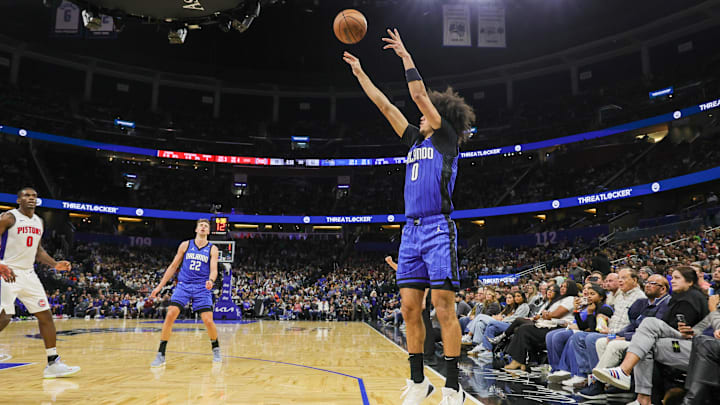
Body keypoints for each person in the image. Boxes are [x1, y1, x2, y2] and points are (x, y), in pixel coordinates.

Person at [345, 27, 476, 405]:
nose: (419, 117)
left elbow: (418, 94)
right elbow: (386, 105)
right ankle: (419, 381)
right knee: (408, 308)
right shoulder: (414, 141)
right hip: (411, 232)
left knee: (443, 307)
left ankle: (453, 386)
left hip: (438, 228)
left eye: (425, 114)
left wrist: (405, 54)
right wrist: (360, 74)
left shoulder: (446, 137)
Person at [593, 266, 709, 404]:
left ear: (690, 282)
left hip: (693, 345)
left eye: (677, 278)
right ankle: (642, 398)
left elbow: (686, 329)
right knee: (645, 343)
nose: (673, 281)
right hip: (680, 339)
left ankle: (624, 374)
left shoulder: (693, 298)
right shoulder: (677, 298)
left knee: (649, 325)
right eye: (672, 278)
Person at [0, 187, 81, 378]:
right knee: (5, 316)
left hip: (28, 274)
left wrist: (55, 264)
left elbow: (38, 251)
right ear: (18, 199)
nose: (31, 198)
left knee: (45, 315)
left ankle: (53, 362)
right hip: (7, 271)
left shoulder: (39, 221)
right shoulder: (8, 218)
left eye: (34, 196)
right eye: (26, 195)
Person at [578, 274, 671, 400]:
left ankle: (598, 384)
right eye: (647, 282)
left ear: (663, 289)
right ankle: (613, 383)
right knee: (602, 342)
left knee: (615, 345)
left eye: (653, 283)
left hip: (648, 341)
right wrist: (617, 335)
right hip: (636, 337)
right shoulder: (647, 303)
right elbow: (634, 324)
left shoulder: (666, 304)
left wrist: (625, 338)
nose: (648, 285)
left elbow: (653, 331)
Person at [149, 219, 221, 367]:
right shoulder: (185, 245)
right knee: (170, 314)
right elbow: (173, 266)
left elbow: (214, 269)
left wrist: (211, 280)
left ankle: (216, 348)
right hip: (184, 285)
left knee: (208, 320)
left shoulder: (213, 248)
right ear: (196, 229)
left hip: (202, 287)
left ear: (208, 231)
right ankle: (161, 354)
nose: (203, 227)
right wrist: (159, 287)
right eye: (201, 225)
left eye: (206, 226)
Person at [503, 280, 579, 371]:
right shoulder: (560, 299)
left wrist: (548, 314)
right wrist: (547, 315)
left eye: (565, 287)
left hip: (559, 327)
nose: (562, 288)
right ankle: (521, 361)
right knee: (521, 328)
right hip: (549, 324)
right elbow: (546, 314)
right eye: (561, 286)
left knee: (524, 329)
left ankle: (518, 361)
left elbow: (556, 314)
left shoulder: (570, 298)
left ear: (571, 289)